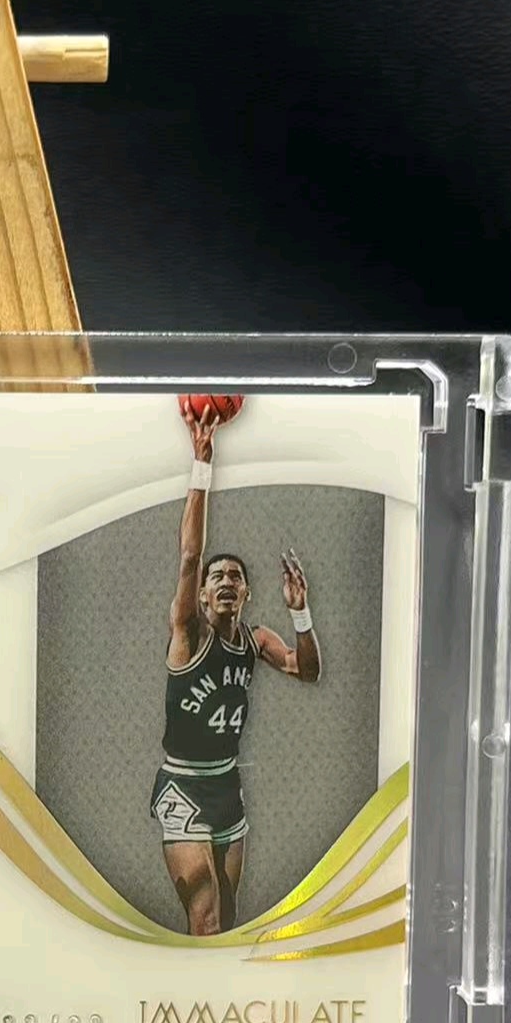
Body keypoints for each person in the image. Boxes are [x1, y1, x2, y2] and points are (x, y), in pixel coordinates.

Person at [150, 401, 322, 936]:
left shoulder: (256, 639)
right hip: (183, 783)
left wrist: (300, 613)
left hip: (226, 785)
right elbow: (189, 555)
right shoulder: (189, 634)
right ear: (202, 595)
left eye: (235, 577)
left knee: (227, 917)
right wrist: (202, 466)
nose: (225, 580)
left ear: (246, 593)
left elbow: (307, 671)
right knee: (204, 915)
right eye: (216, 576)